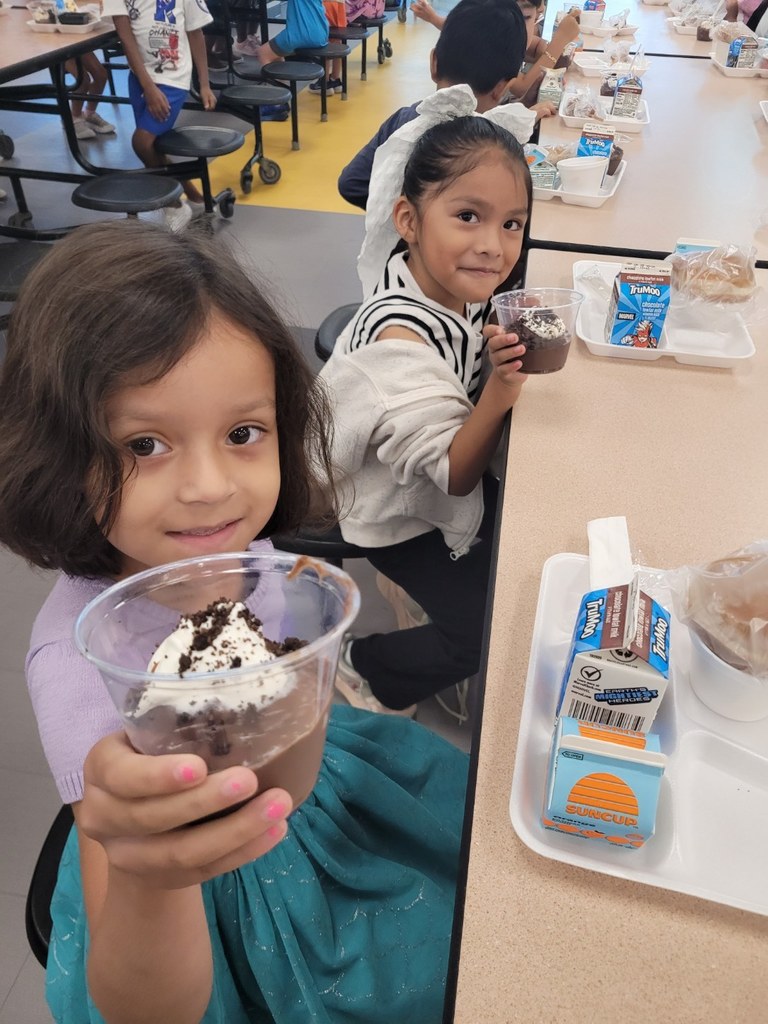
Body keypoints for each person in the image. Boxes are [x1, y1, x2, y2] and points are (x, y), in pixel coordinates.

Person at [0, 221, 468, 1024]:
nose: (212, 487)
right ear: (58, 454)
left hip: (312, 790)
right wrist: (151, 880)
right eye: (145, 444)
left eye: (243, 434)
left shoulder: (244, 551)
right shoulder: (78, 667)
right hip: (200, 888)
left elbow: (289, 716)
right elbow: (145, 1006)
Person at [321, 95, 533, 714]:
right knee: (484, 628)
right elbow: (454, 476)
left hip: (426, 457)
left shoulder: (447, 279)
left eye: (512, 224)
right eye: (468, 216)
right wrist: (501, 387)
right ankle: (367, 665)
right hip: (391, 507)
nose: (493, 246)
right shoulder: (400, 337)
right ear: (408, 220)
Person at [338, 0, 539, 210]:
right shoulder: (494, 147)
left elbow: (351, 183)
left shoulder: (404, 119)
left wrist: (401, 214)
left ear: (434, 62)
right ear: (502, 88)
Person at [102, 0, 218, 231]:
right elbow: (126, 37)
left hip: (173, 78)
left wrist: (204, 84)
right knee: (154, 146)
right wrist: (147, 86)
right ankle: (194, 197)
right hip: (140, 78)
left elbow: (195, 32)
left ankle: (173, 205)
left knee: (142, 142)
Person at [410, 0, 580, 105]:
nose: (530, 26)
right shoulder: (496, 41)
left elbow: (536, 47)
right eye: (526, 17)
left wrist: (552, 54)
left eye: (537, 17)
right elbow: (522, 86)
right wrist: (560, 40)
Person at [252, 0, 329, 67]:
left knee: (263, 53)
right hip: (321, 31)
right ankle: (281, 78)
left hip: (301, 33)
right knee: (276, 54)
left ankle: (277, 79)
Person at [65, 52, 116, 140]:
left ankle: (89, 114)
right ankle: (74, 117)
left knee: (101, 75)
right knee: (83, 79)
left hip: (77, 45)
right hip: (57, 47)